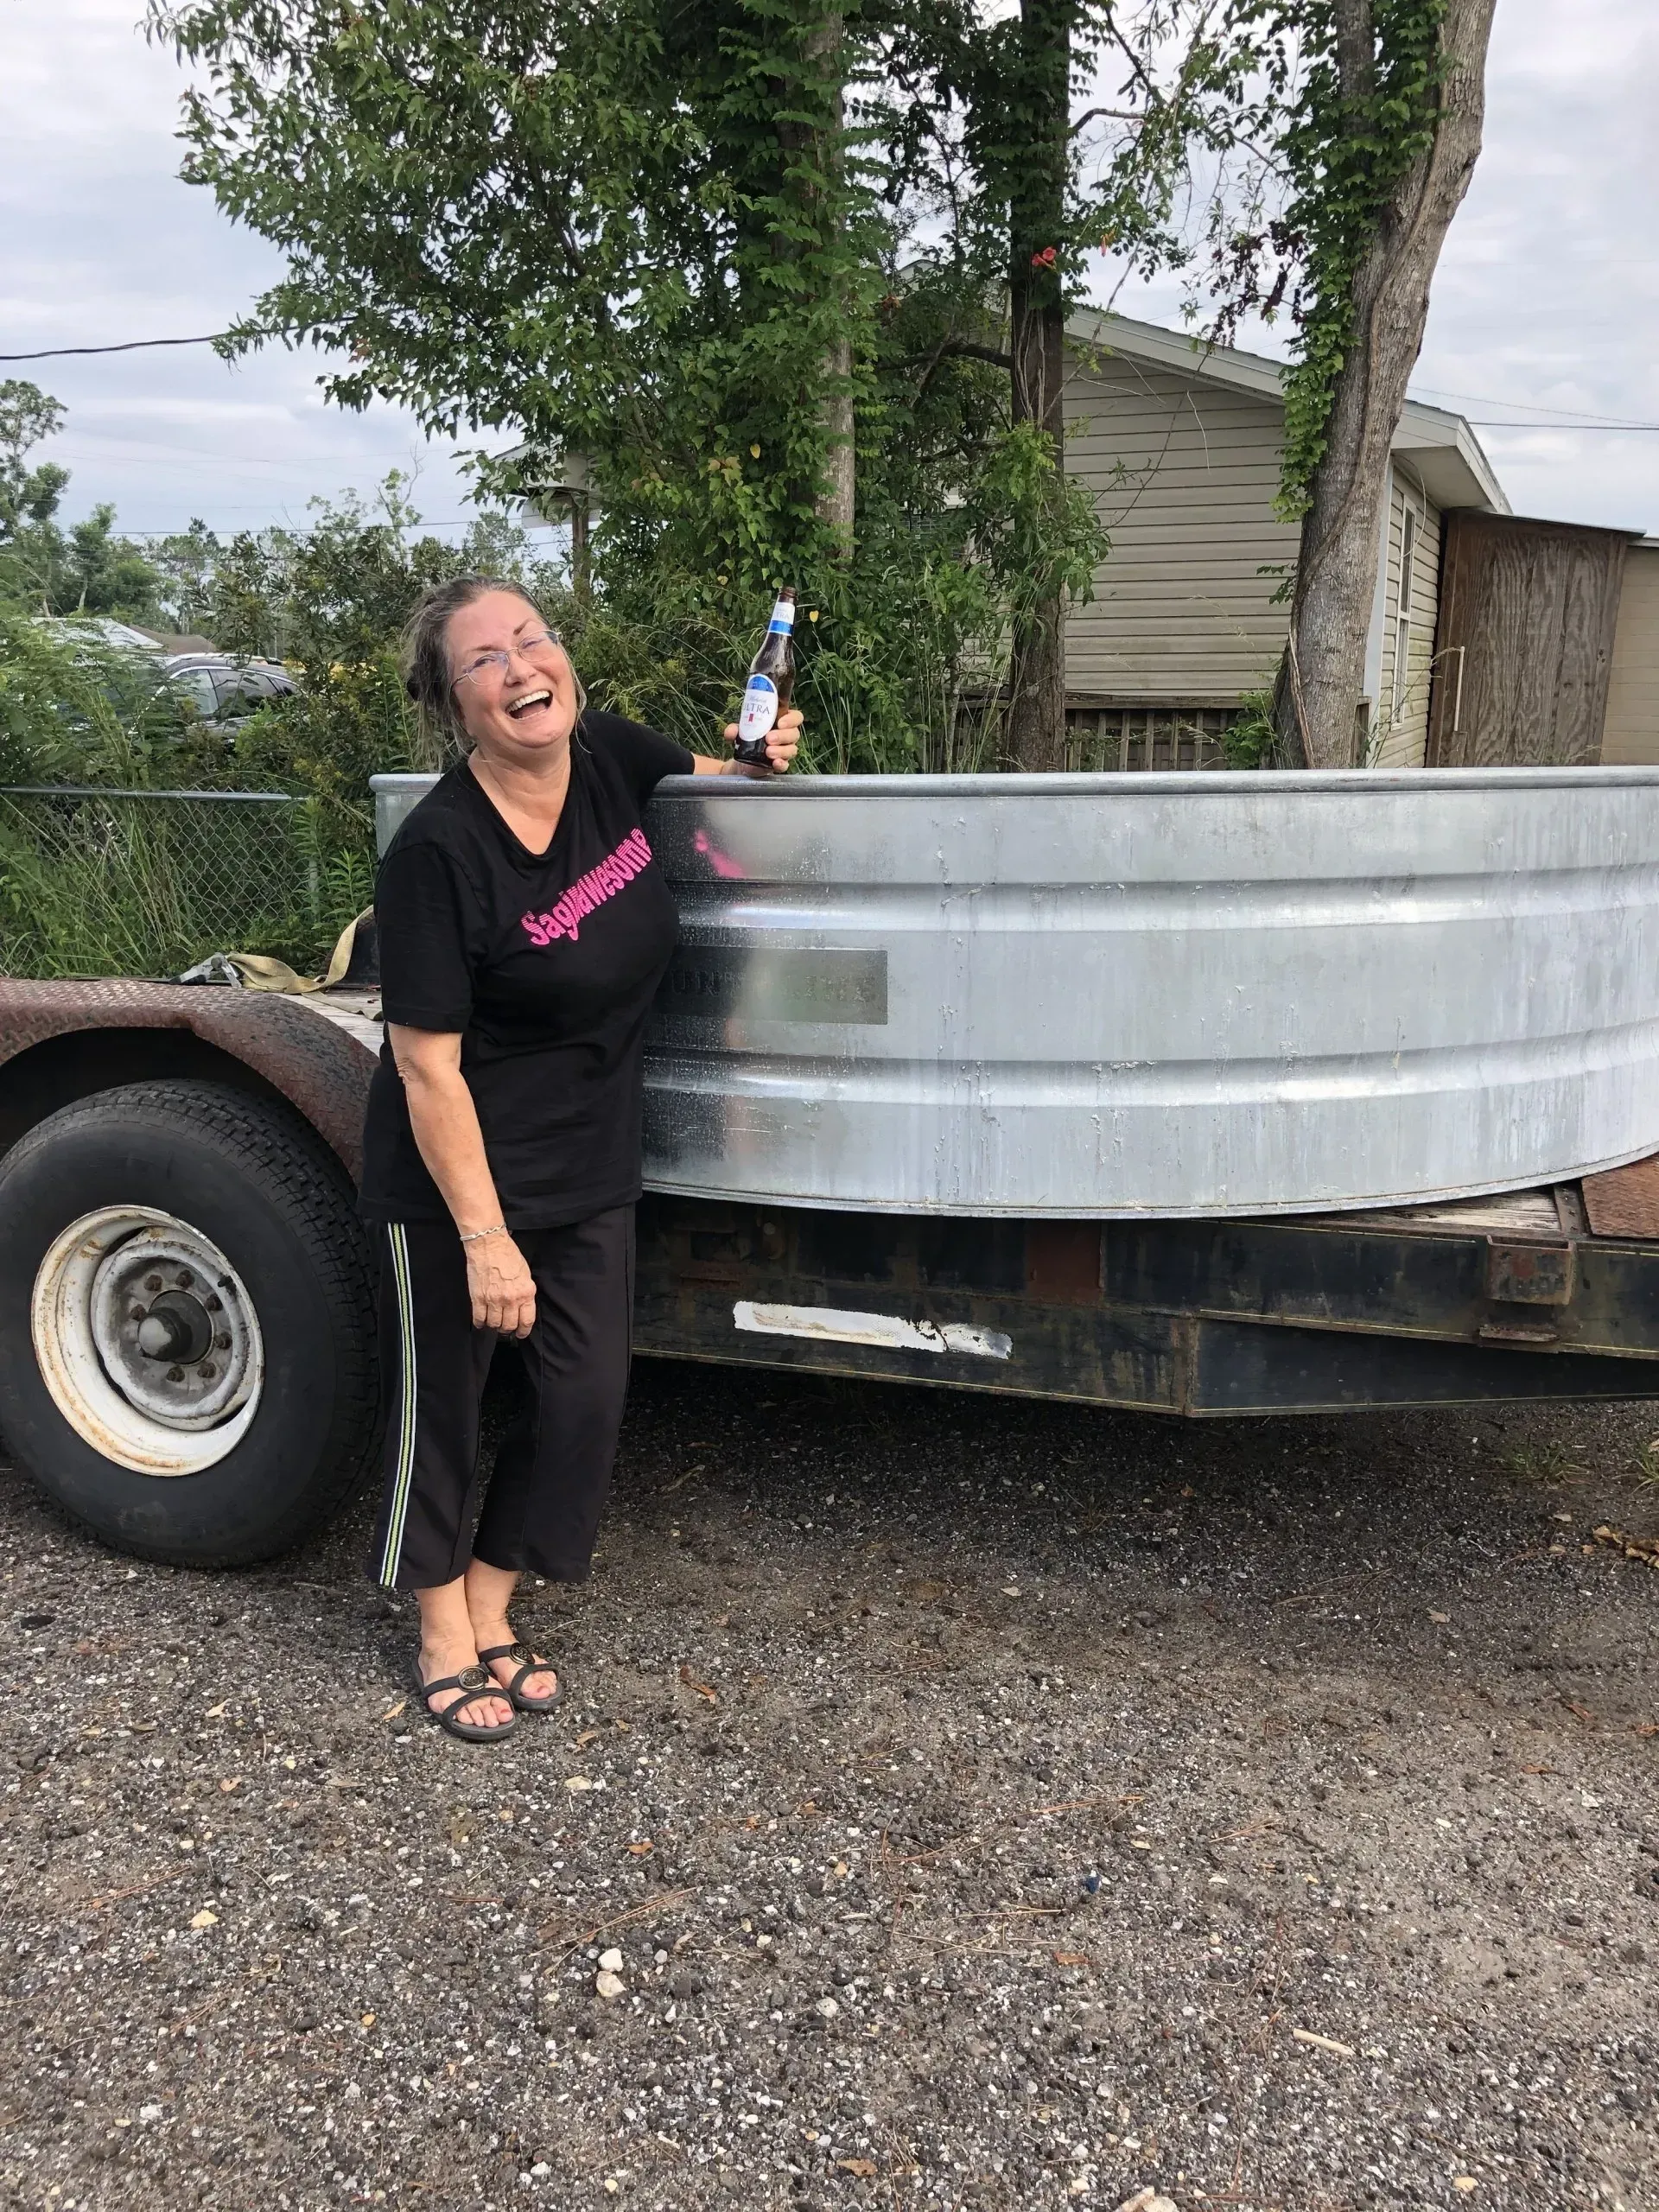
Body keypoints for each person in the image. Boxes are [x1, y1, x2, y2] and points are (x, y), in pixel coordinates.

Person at [360, 576, 800, 1741]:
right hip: (456, 1179)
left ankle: (497, 1593)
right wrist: (484, 1236)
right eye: (485, 661)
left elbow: (726, 774)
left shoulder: (608, 754)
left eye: (534, 640)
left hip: (589, 1158)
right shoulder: (439, 853)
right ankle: (444, 1626)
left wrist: (764, 754)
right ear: (452, 706)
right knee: (444, 1405)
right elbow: (426, 1068)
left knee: (583, 1399)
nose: (521, 669)